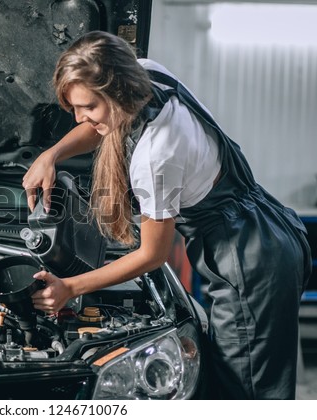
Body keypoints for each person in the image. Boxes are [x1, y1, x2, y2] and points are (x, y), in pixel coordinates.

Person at [23, 31, 311, 399]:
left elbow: (152, 255)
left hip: (248, 258)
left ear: (117, 92)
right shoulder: (147, 74)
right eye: (75, 107)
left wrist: (71, 288)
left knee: (244, 394)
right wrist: (52, 155)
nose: (79, 117)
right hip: (266, 226)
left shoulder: (155, 156)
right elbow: (101, 127)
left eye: (88, 107)